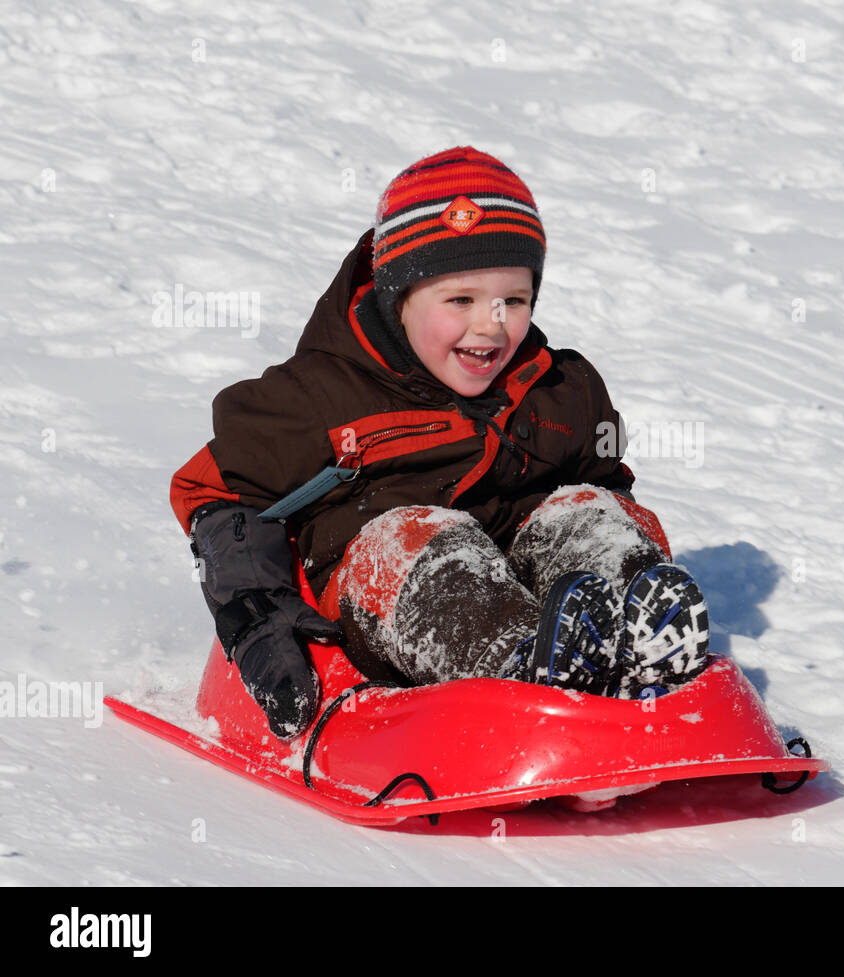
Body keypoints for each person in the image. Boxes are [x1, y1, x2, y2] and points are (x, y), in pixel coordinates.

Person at [171, 146, 709, 739]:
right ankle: (520, 668)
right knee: (420, 538)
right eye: (461, 300)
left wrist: (607, 531)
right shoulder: (319, 397)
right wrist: (254, 611)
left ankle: (634, 643)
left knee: (586, 512)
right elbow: (210, 488)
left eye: (515, 300)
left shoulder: (563, 389)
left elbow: (606, 480)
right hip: (391, 599)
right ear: (397, 297)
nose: (492, 324)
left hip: (532, 580)